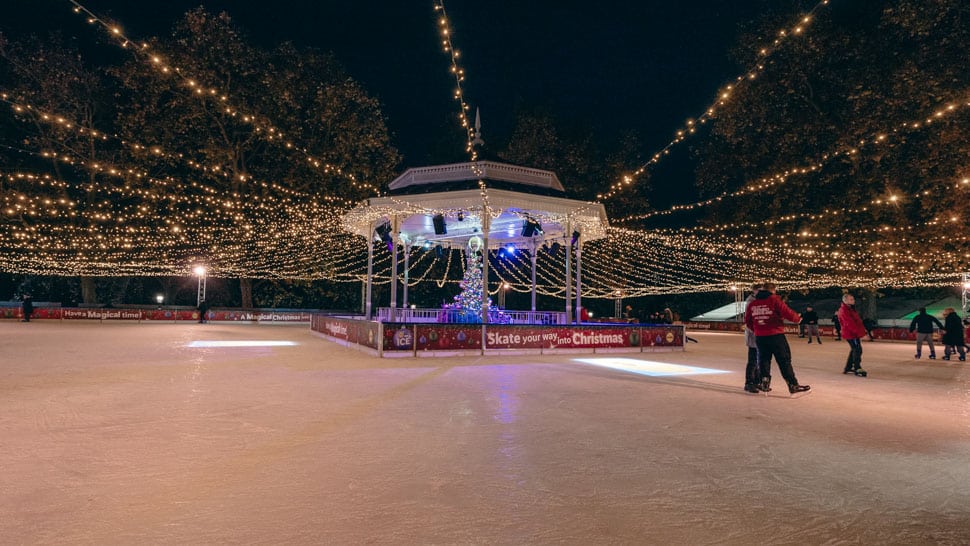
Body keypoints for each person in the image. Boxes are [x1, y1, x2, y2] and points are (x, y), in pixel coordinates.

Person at [743, 281, 810, 394]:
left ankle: (764, 382)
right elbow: (787, 312)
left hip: (760, 337)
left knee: (763, 360)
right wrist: (798, 319)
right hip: (775, 335)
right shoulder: (774, 300)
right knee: (784, 360)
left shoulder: (753, 304)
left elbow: (748, 321)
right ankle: (792, 384)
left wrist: (758, 330)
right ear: (773, 290)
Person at [836, 293, 868, 376]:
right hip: (851, 334)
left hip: (853, 333)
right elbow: (849, 324)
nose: (853, 301)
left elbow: (857, 322)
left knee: (854, 349)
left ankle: (848, 367)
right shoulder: (844, 310)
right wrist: (860, 334)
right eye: (851, 299)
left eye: (853, 299)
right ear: (845, 301)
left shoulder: (851, 309)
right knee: (857, 349)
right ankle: (857, 367)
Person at [742, 283, 762, 393]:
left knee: (760, 360)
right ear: (754, 291)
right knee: (753, 360)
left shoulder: (759, 300)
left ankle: (757, 381)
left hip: (760, 335)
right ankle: (749, 382)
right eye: (759, 290)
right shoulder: (751, 301)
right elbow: (749, 319)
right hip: (753, 335)